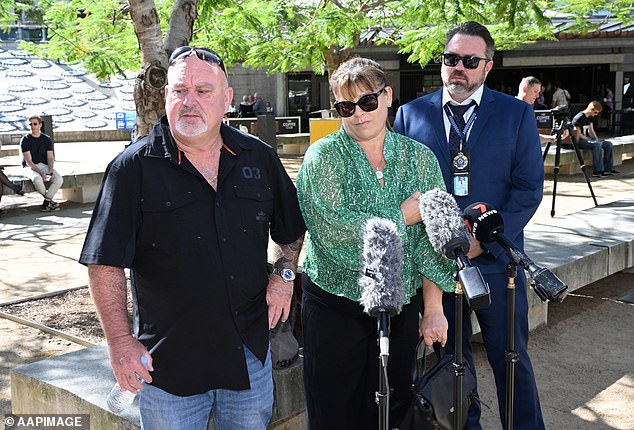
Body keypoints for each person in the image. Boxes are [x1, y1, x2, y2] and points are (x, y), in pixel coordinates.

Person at [79, 46, 306, 430]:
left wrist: (283, 279)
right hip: (167, 367)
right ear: (165, 95)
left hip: (249, 357)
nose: (189, 102)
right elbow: (105, 262)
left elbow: (291, 231)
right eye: (179, 90)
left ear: (227, 100)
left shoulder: (259, 157)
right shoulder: (131, 169)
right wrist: (120, 343)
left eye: (202, 91)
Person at [394, 22, 546, 430]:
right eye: (450, 59)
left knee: (510, 358)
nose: (458, 68)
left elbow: (529, 189)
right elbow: (400, 187)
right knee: (449, 362)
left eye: (469, 61)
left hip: (496, 263)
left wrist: (484, 242)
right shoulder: (410, 114)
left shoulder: (516, 114)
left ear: (488, 66)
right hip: (436, 267)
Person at [296, 57, 456, 430]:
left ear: (387, 97)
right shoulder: (322, 158)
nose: (358, 114)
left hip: (401, 306)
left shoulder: (420, 158)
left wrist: (433, 307)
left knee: (395, 407)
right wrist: (401, 216)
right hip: (335, 306)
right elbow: (335, 234)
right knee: (335, 411)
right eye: (346, 107)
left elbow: (435, 240)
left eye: (367, 102)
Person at [20, 115, 63, 212]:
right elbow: (29, 161)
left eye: (35, 124)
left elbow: (50, 157)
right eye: (30, 124)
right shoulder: (25, 140)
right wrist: (41, 173)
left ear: (40, 125)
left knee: (59, 179)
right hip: (29, 167)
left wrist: (51, 169)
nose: (32, 126)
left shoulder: (46, 139)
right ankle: (50, 202)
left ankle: (46, 202)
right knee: (37, 178)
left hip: (44, 165)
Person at [516, 76, 568, 144]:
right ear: (525, 89)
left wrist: (554, 138)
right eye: (535, 92)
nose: (537, 96)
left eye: (539, 93)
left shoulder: (527, 109)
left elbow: (532, 137)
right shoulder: (512, 109)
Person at [572, 100, 617, 177]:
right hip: (579, 141)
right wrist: (591, 140)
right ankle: (597, 171)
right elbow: (578, 135)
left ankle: (608, 169)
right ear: (591, 109)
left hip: (586, 140)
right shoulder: (578, 118)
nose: (596, 115)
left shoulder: (590, 117)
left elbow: (591, 130)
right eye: (595, 112)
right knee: (597, 145)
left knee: (608, 144)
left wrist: (596, 139)